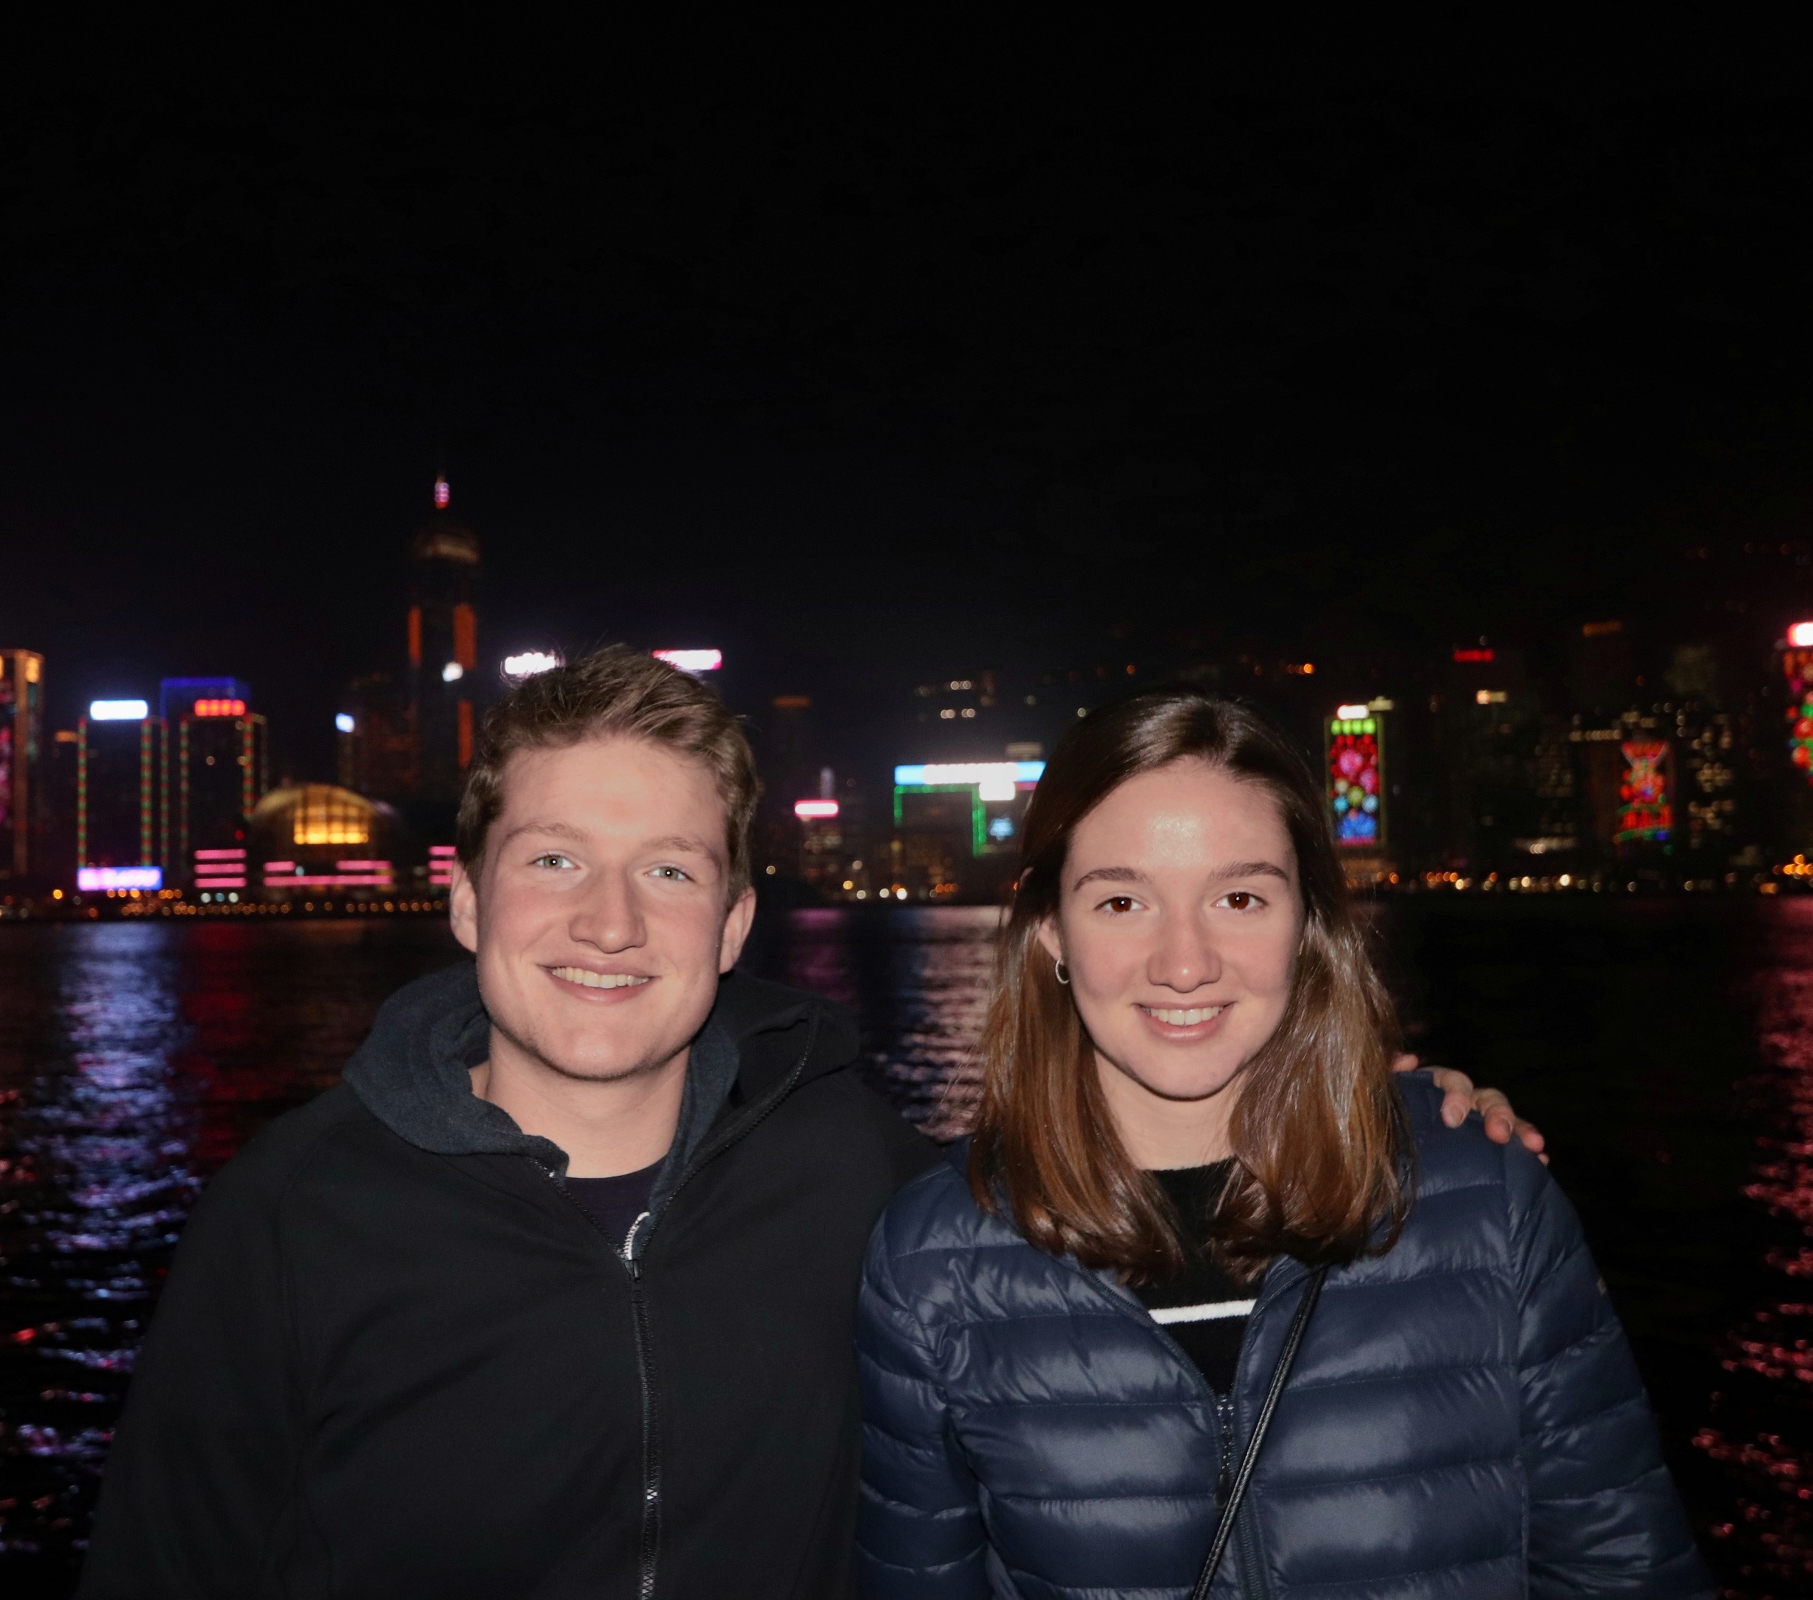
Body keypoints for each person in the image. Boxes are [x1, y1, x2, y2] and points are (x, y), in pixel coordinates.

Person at [81, 651, 1542, 1599]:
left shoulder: (855, 1176)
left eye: (668, 870)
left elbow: (1107, 1185)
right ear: (464, 899)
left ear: (732, 924)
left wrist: (1389, 1110)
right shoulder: (294, 1215)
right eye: (554, 861)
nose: (609, 922)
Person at [856, 693, 1711, 1599]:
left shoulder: (1482, 1196)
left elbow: (1622, 1569)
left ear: (1306, 925)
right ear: (1050, 933)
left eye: (1239, 897)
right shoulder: (932, 1262)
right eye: (1121, 900)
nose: (1185, 963)